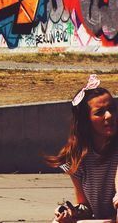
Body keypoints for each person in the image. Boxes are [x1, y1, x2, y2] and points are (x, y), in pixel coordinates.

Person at [49, 74, 118, 223]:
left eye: (112, 109)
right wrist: (72, 212)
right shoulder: (77, 157)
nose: (109, 116)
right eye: (100, 112)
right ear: (85, 120)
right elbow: (85, 206)